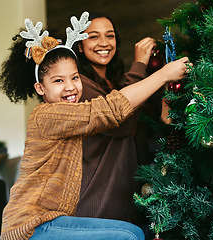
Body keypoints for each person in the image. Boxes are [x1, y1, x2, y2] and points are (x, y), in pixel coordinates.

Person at [0, 12, 191, 240]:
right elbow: (109, 110)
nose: (70, 87)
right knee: (130, 236)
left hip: (55, 219)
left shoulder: (74, 108)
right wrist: (162, 75)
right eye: (58, 81)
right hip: (31, 224)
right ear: (41, 89)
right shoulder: (48, 115)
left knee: (134, 232)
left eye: (75, 77)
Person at [72, 12, 157, 225]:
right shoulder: (79, 86)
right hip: (97, 205)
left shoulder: (112, 85)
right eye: (93, 36)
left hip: (126, 201)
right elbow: (120, 122)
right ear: (80, 46)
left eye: (109, 36)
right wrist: (139, 65)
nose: (104, 43)